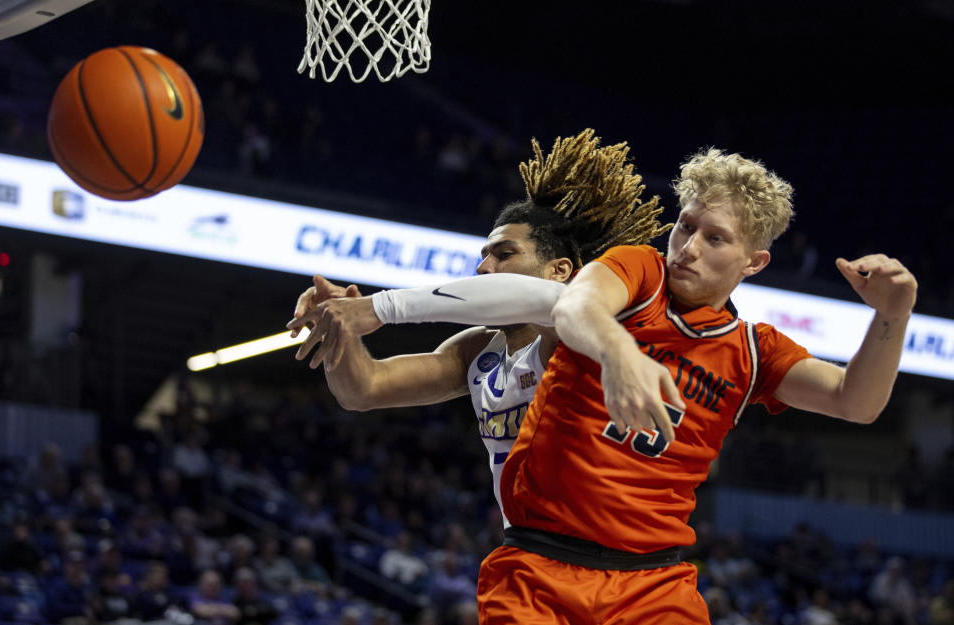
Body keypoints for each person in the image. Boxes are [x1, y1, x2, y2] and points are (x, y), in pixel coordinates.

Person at [299, 147, 917, 623]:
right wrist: (354, 322)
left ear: (754, 262)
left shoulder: (754, 352)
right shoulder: (635, 273)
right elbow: (564, 307)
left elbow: (856, 402)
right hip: (539, 563)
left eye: (715, 238)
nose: (688, 247)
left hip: (653, 582)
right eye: (684, 226)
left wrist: (892, 315)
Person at [288, 129, 670, 525]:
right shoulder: (475, 351)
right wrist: (340, 326)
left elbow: (516, 293)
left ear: (559, 271)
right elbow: (364, 390)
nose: (484, 268)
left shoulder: (573, 333)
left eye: (505, 254)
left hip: (600, 556)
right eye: (484, 256)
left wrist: (379, 306)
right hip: (530, 552)